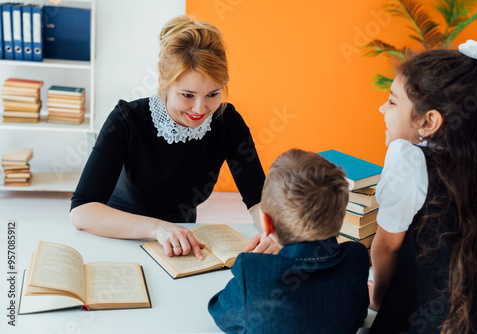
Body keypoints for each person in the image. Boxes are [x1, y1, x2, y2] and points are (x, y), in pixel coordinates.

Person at [70, 15, 279, 259]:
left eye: (212, 94)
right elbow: (82, 210)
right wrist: (156, 227)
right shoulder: (126, 120)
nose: (200, 109)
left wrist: (272, 231)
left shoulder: (227, 122)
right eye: (187, 95)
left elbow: (257, 200)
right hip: (120, 236)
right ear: (163, 81)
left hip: (183, 243)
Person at [369, 40, 477, 334]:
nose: (382, 108)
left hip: (416, 318)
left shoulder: (407, 160)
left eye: (392, 102)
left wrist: (376, 299)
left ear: (429, 121)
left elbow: (387, 247)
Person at [208, 149, 370, 333]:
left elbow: (220, 313)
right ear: (340, 219)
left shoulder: (252, 272)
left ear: (267, 224)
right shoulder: (356, 258)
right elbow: (359, 314)